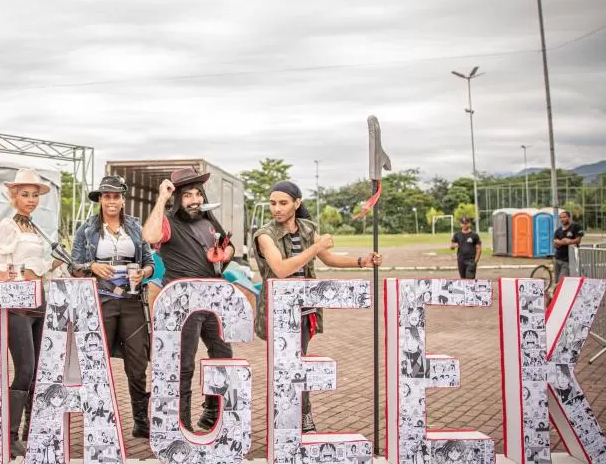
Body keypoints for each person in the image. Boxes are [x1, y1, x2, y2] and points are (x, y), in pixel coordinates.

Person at [252, 180, 381, 432]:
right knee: (290, 364)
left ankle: (297, 417)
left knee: (299, 363)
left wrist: (361, 261)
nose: (276, 208)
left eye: (283, 203)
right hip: (278, 312)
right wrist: (316, 247)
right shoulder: (264, 235)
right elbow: (280, 269)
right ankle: (299, 418)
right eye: (273, 203)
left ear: (297, 203)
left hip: (304, 309)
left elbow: (328, 257)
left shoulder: (308, 228)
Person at [142, 167, 238, 432]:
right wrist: (162, 198)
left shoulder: (209, 220)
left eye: (198, 194)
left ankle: (212, 414)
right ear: (178, 198)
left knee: (223, 357)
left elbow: (229, 244)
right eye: (188, 196)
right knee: (184, 364)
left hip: (214, 300)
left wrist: (224, 252)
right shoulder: (168, 222)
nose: (194, 200)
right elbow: (149, 236)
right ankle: (180, 424)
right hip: (183, 302)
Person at [0, 167, 64, 457]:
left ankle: (34, 429)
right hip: (18, 305)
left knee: (38, 371)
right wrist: (23, 273)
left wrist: (51, 266)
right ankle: (9, 435)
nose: (31, 200)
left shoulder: (36, 227)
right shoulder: (8, 226)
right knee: (25, 369)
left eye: (34, 195)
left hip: (40, 303)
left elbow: (41, 269)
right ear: (13, 196)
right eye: (24, 194)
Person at [72, 174, 155, 438]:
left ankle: (141, 421)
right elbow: (72, 266)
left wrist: (144, 272)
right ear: (100, 200)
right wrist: (91, 266)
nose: (111, 201)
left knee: (138, 362)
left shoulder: (135, 226)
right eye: (107, 196)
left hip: (132, 301)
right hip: (101, 300)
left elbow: (150, 262)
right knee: (97, 361)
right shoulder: (86, 229)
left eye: (116, 196)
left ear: (122, 199)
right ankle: (98, 420)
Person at [553, 210, 584, 285]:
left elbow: (578, 240)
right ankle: (556, 296)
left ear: (569, 218)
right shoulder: (558, 230)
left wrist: (569, 241)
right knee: (556, 282)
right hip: (557, 259)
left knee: (562, 282)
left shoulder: (575, 226)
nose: (562, 219)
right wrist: (562, 242)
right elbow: (555, 243)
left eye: (564, 217)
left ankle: (561, 296)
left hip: (568, 260)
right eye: (560, 217)